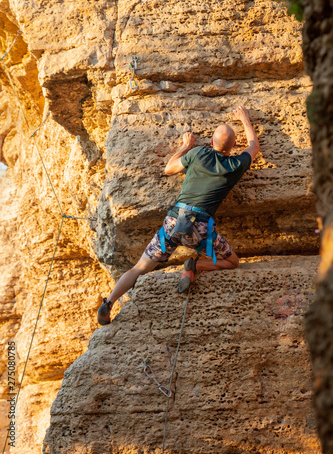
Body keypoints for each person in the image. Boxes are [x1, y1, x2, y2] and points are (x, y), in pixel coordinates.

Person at [98, 105, 260, 325]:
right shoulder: (235, 165)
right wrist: (245, 119)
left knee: (139, 267)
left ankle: (108, 303)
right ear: (232, 148)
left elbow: (169, 168)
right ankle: (194, 265)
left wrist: (184, 146)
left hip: (174, 222)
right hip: (200, 230)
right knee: (232, 262)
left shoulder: (199, 152)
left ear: (211, 143)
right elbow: (253, 146)